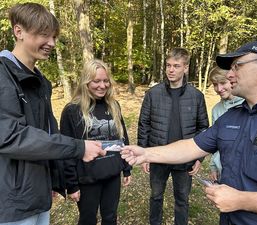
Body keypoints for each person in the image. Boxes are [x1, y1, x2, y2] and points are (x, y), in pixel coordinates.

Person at [121, 40, 257, 225]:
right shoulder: (231, 117)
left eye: (236, 67)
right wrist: (146, 153)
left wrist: (241, 200)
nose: (230, 75)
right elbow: (192, 146)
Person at [0, 3, 105, 225]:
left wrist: (53, 181)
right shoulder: (3, 76)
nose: (51, 43)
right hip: (12, 202)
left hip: (38, 194)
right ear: (18, 32)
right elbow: (11, 137)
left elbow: (46, 132)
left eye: (54, 37)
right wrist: (78, 147)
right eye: (43, 35)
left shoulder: (41, 82)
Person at [138, 47, 209, 225]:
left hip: (185, 159)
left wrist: (199, 157)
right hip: (158, 156)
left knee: (182, 199)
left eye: (176, 66)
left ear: (185, 68)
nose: (171, 70)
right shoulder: (153, 94)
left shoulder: (197, 96)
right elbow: (144, 125)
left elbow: (203, 128)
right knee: (155, 196)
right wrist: (144, 154)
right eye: (168, 65)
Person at [60, 59, 132, 225]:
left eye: (106, 80)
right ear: (86, 82)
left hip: (112, 174)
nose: (102, 85)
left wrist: (126, 168)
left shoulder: (113, 105)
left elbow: (122, 138)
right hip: (87, 178)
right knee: (87, 220)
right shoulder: (72, 110)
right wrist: (71, 184)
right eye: (96, 81)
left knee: (110, 218)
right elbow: (67, 149)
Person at [208, 67, 244, 182]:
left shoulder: (248, 105)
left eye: (223, 83)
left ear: (232, 81)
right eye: (215, 84)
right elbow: (216, 142)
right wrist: (214, 166)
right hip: (222, 171)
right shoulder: (216, 110)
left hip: (243, 174)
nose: (219, 88)